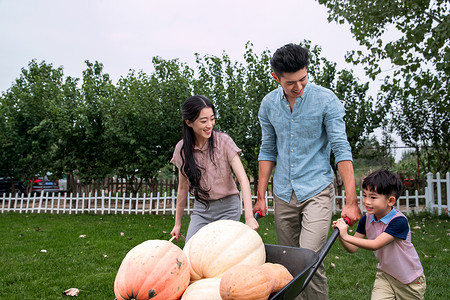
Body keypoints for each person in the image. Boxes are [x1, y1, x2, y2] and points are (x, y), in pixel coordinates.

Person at [253, 43, 362, 299]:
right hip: (283, 193)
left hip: (316, 191)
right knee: (287, 265)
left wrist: (351, 201)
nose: (299, 86)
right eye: (291, 82)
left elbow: (341, 149)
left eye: (303, 78)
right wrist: (261, 196)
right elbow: (268, 150)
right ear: (276, 78)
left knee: (309, 261)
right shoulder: (268, 105)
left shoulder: (326, 100)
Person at [170, 95, 259, 242]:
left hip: (228, 208)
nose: (210, 125)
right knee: (190, 250)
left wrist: (249, 217)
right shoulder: (182, 149)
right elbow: (182, 187)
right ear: (189, 122)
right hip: (201, 210)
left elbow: (243, 179)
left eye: (212, 119)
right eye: (204, 121)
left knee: (221, 253)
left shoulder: (223, 141)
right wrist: (177, 224)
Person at [333, 169, 426, 299]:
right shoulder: (367, 219)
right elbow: (352, 248)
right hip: (386, 275)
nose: (366, 201)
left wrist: (346, 236)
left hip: (409, 280)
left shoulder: (399, 222)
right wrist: (339, 234)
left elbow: (375, 244)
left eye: (373, 197)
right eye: (364, 195)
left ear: (391, 201)